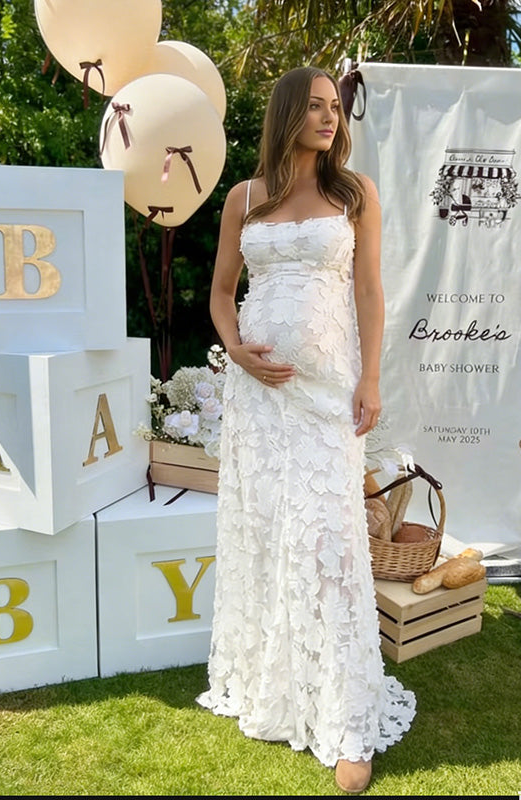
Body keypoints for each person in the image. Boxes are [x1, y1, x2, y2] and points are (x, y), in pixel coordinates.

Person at [196, 66, 416, 794]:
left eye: (335, 108)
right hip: (258, 404)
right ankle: (277, 687)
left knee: (328, 541)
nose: (329, 118)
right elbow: (223, 295)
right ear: (288, 113)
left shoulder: (355, 195)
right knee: (267, 532)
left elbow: (370, 291)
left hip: (326, 397)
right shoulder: (243, 199)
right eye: (316, 106)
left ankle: (349, 716)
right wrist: (235, 349)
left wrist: (372, 379)